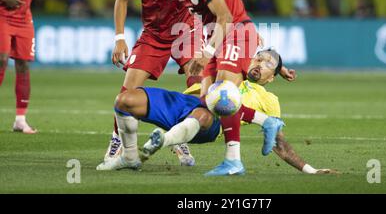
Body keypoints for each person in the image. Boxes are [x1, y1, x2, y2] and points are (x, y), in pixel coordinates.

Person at [146, 0, 295, 176]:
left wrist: (206, 52)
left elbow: (226, 17)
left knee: (225, 93)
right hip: (221, 34)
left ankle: (236, 157)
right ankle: (258, 130)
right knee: (209, 99)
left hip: (234, 31)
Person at [97, 49, 336, 175]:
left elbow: (279, 145)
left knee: (208, 112)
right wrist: (278, 64)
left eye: (268, 65)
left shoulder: (268, 100)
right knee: (125, 100)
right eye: (258, 58)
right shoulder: (233, 65)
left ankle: (165, 140)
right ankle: (129, 157)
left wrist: (310, 170)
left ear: (272, 78)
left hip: (208, 124)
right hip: (182, 103)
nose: (260, 64)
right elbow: (236, 35)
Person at [102, 0, 211, 166]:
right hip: (153, 33)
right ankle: (117, 142)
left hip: (187, 30)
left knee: (197, 86)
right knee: (127, 93)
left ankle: (178, 138)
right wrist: (119, 38)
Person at [0, 0, 80, 134]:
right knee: (2, 60)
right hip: (2, 17)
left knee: (23, 65)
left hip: (24, 19)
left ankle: (20, 119)